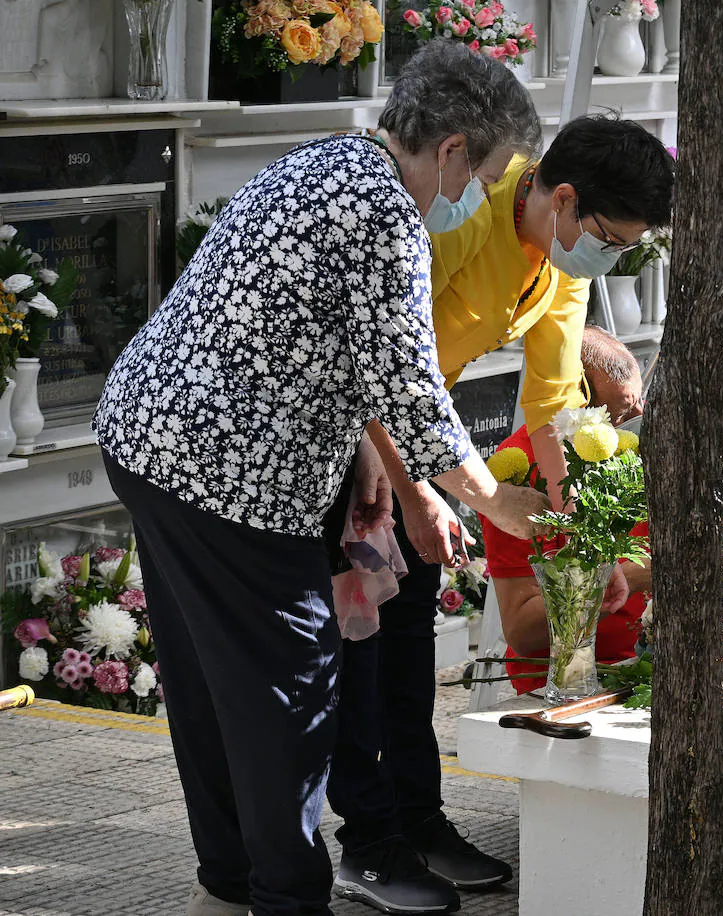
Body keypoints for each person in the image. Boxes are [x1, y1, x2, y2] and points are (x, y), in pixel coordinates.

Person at [92, 43, 548, 916]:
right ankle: (284, 895)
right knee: (290, 691)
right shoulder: (386, 212)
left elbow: (333, 347)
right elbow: (409, 383)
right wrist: (492, 499)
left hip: (153, 437)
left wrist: (363, 456)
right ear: (452, 148)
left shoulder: (324, 157)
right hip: (229, 473)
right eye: (487, 177)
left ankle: (230, 886)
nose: (482, 198)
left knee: (210, 683)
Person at [325, 117, 676, 913]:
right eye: (611, 240)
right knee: (358, 641)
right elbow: (380, 352)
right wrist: (401, 480)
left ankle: (419, 819)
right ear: (562, 198)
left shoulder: (559, 258)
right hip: (347, 431)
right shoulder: (466, 202)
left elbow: (549, 401)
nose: (609, 258)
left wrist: (567, 522)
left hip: (415, 435)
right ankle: (367, 842)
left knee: (412, 632)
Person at [484, 327, 723, 687]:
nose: (639, 417)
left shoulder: (644, 436)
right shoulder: (520, 470)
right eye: (621, 414)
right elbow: (522, 633)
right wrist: (632, 577)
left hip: (662, 661)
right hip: (569, 681)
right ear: (573, 408)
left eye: (639, 401)